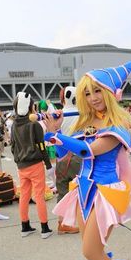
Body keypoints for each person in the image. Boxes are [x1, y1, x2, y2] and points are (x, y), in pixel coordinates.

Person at [44, 60, 131, 260]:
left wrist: (58, 136)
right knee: (90, 249)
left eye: (97, 90)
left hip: (106, 192)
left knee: (90, 249)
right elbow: (62, 152)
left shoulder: (118, 125)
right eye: (87, 93)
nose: (93, 97)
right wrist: (54, 130)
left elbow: (86, 151)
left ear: (109, 93)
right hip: (83, 189)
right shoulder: (85, 121)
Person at [11, 92, 54, 239]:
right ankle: (44, 228)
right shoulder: (34, 124)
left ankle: (25, 226)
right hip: (35, 164)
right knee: (39, 196)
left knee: (24, 195)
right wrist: (48, 164)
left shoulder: (14, 124)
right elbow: (42, 146)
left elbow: (13, 146)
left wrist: (18, 159)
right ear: (30, 106)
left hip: (21, 165)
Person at [55, 86, 80, 234]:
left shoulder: (59, 115)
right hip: (78, 157)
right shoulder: (81, 114)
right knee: (86, 189)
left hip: (61, 157)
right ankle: (90, 220)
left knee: (62, 191)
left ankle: (62, 223)